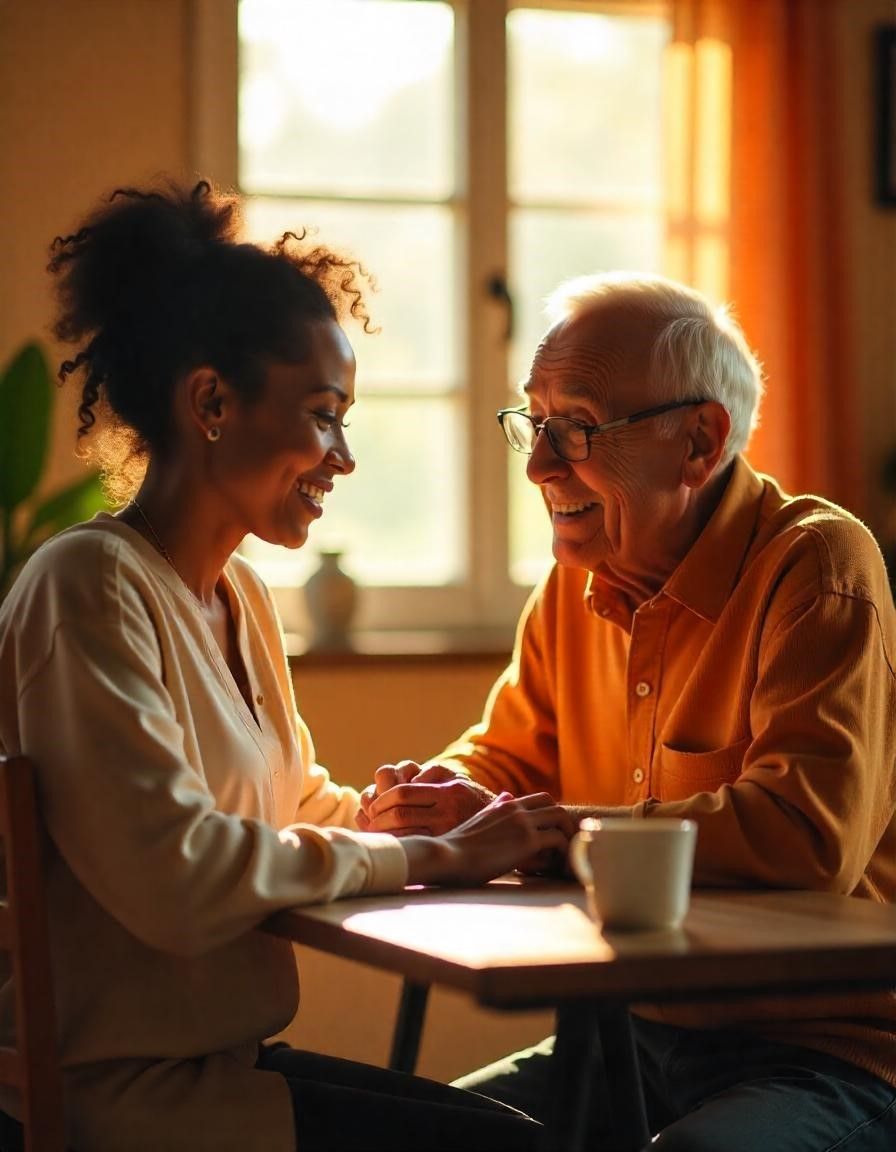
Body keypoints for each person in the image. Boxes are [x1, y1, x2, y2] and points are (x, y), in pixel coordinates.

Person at [0, 179, 576, 1152]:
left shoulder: (239, 595)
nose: (341, 458)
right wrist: (432, 859)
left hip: (227, 1073)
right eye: (322, 414)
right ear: (210, 401)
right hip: (129, 1105)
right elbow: (178, 879)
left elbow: (282, 807)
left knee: (531, 1132)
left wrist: (388, 817)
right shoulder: (86, 585)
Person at [358, 273, 896, 1150]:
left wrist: (551, 833)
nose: (538, 464)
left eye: (574, 427)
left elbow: (805, 834)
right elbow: (501, 767)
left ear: (699, 441)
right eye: (533, 423)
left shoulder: (817, 564)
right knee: (417, 1133)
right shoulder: (573, 591)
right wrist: (436, 798)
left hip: (830, 1050)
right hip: (627, 1035)